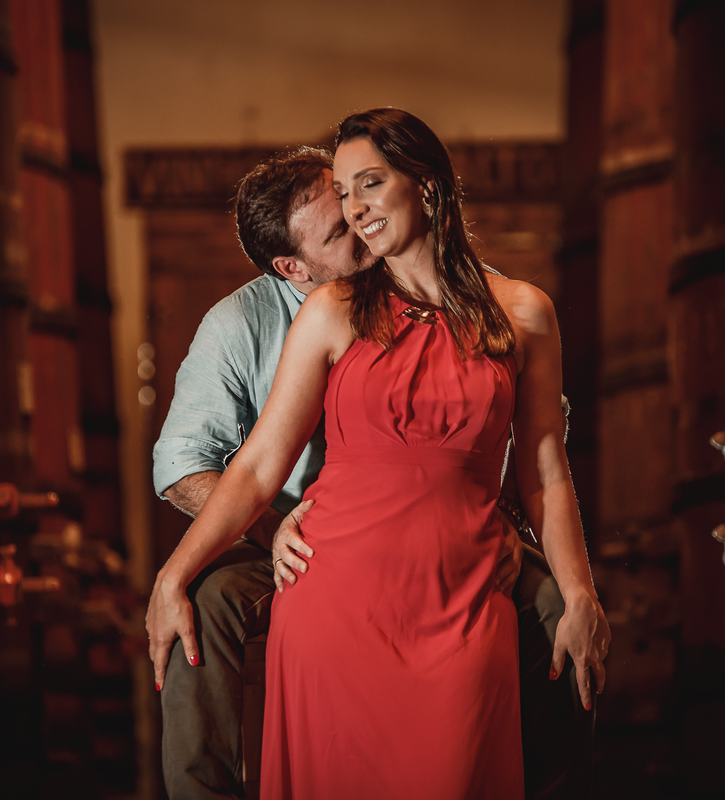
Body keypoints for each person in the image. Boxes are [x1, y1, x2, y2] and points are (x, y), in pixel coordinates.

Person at [151, 132, 604, 798]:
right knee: (209, 605)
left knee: (557, 611)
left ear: (422, 186)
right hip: (310, 549)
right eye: (341, 221)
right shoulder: (272, 320)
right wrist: (189, 566)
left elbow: (539, 459)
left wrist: (543, 556)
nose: (361, 224)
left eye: (362, 189)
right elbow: (229, 468)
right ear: (294, 267)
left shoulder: (514, 307)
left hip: (463, 545)